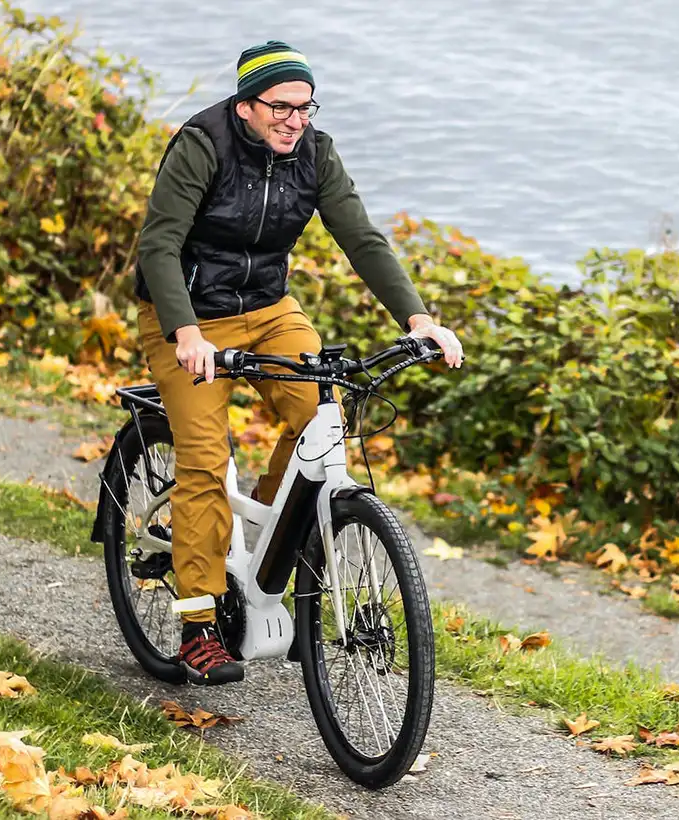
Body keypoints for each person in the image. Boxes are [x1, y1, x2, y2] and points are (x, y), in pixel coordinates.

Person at [132, 40, 465, 685]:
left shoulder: (314, 152)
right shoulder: (202, 145)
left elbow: (361, 238)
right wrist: (185, 331)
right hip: (189, 315)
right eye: (281, 107)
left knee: (323, 418)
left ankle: (260, 541)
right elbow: (160, 243)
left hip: (268, 308)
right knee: (202, 455)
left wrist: (420, 319)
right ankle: (199, 621)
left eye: (305, 107)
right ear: (247, 105)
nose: (295, 120)